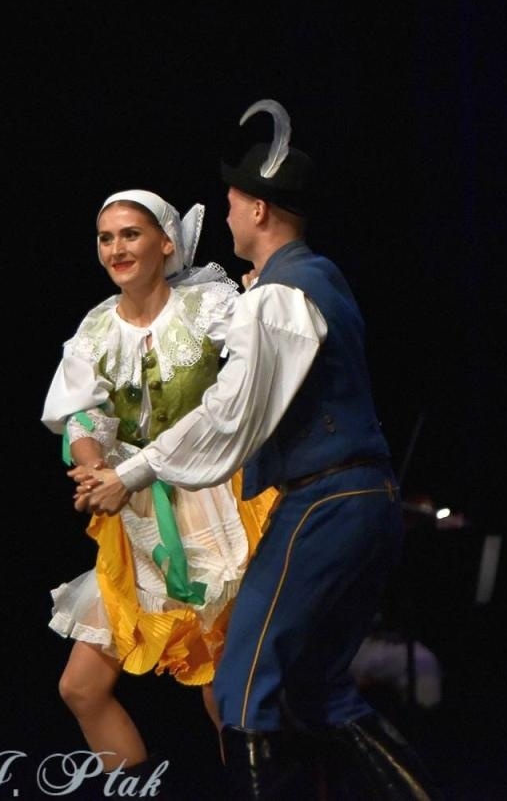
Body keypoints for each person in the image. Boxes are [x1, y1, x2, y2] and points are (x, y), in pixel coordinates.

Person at [75, 100, 434, 799]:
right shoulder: (300, 283)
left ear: (262, 210)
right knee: (322, 693)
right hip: (360, 500)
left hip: (325, 502)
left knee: (241, 689)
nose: (229, 213)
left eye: (236, 201)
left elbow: (230, 417)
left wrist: (134, 470)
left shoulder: (281, 297)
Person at [46, 190, 276, 773]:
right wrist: (95, 465)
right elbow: (80, 413)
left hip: (213, 500)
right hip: (139, 514)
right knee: (81, 687)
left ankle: (265, 786)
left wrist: (261, 294)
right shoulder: (97, 327)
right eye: (106, 237)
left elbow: (259, 356)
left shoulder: (204, 305)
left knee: (224, 689)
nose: (116, 248)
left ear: (165, 242)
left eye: (130, 234)